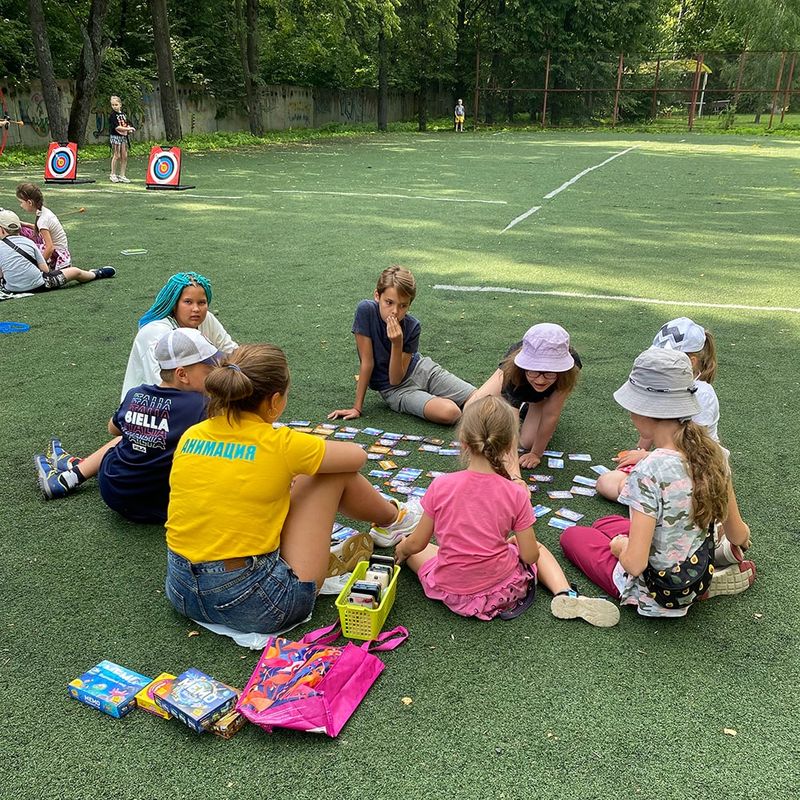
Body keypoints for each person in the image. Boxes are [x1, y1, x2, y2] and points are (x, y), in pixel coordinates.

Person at [164, 343, 422, 634]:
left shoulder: (192, 434)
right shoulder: (281, 443)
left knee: (297, 476)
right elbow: (356, 457)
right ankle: (393, 521)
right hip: (257, 603)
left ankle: (384, 525)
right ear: (274, 401)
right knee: (329, 473)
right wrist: (298, 462)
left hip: (181, 590)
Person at [560, 348, 755, 619]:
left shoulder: (648, 471)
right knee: (606, 523)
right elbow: (739, 536)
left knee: (573, 536)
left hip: (656, 592)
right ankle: (712, 572)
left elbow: (635, 564)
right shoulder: (715, 454)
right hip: (697, 569)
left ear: (645, 410)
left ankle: (673, 586)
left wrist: (620, 547)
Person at [394, 396, 619, 626]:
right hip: (505, 590)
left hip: (454, 593)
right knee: (538, 548)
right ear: (510, 444)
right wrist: (514, 544)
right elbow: (530, 556)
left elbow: (417, 543)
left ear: (463, 441)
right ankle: (564, 592)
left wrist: (402, 548)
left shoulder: (440, 485)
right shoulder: (516, 493)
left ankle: (404, 550)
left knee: (410, 546)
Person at [34, 329, 219, 524]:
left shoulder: (135, 394)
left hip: (113, 490)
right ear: (182, 374)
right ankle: (71, 473)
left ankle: (71, 475)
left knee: (131, 435)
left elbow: (113, 429)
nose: (216, 375)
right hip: (163, 504)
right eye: (210, 371)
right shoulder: (200, 405)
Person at [328, 266, 475, 424]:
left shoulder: (413, 326)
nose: (395, 311)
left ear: (409, 305)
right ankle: (444, 403)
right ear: (377, 296)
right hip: (396, 390)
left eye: (403, 305)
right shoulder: (366, 311)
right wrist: (357, 408)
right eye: (389, 302)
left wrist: (399, 342)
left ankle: (457, 405)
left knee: (480, 398)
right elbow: (388, 375)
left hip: (422, 369)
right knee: (451, 412)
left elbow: (408, 366)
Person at [467, 323, 580, 469]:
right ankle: (515, 398)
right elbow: (511, 421)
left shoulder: (570, 368)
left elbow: (552, 414)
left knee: (527, 442)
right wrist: (512, 468)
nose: (540, 380)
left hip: (541, 394)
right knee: (472, 409)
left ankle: (536, 401)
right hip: (515, 379)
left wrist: (536, 454)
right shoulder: (513, 370)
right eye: (534, 372)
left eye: (549, 373)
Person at [121, 271, 237, 400]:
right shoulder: (155, 333)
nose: (196, 309)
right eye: (188, 302)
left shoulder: (205, 318)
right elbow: (162, 386)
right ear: (173, 304)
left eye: (201, 302)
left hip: (194, 392)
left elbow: (232, 352)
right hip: (151, 404)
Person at [0, 209, 114, 294]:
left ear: (1, 229)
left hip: (11, 288)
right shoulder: (29, 242)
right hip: (42, 284)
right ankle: (95, 274)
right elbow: (45, 270)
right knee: (75, 271)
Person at [15, 182, 71, 269]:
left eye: (21, 202)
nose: (21, 205)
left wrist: (40, 266)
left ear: (29, 202)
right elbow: (41, 229)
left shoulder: (42, 220)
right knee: (24, 229)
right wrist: (24, 224)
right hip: (60, 250)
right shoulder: (43, 211)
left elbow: (50, 248)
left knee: (26, 247)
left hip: (58, 255)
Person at [109, 95, 135, 184]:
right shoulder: (112, 115)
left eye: (116, 104)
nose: (114, 106)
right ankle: (113, 174)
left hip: (123, 137)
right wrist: (128, 129)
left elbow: (125, 124)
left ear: (120, 104)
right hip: (115, 137)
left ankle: (122, 175)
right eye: (112, 105)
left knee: (124, 156)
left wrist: (129, 130)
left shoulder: (123, 115)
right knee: (117, 155)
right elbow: (117, 127)